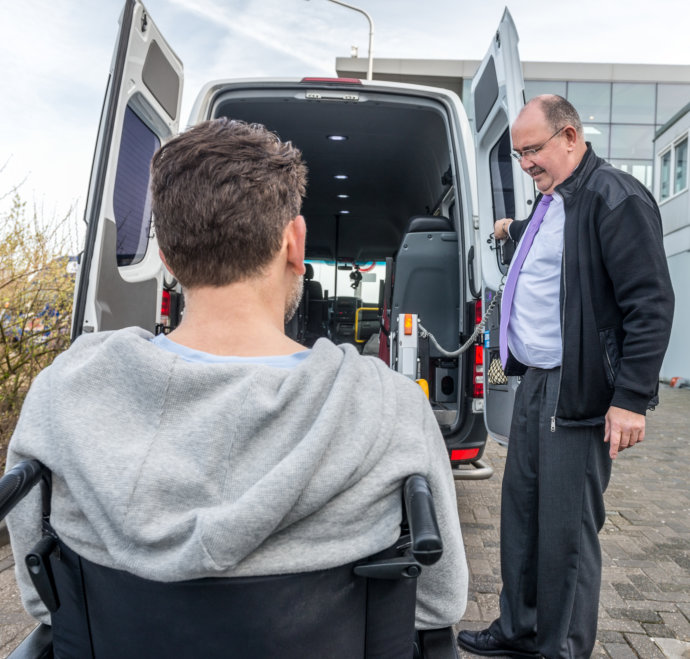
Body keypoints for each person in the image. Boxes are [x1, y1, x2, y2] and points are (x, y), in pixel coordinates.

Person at [7, 118, 467, 631]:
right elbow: (437, 604)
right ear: (295, 243)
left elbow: (46, 601)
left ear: (167, 258)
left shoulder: (64, 393)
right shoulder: (392, 408)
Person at [457, 96, 674, 658]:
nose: (525, 163)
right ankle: (519, 629)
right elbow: (552, 246)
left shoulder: (615, 198)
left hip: (579, 394)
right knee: (521, 516)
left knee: (566, 533)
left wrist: (630, 399)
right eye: (518, 154)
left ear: (570, 138)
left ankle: (562, 649)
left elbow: (649, 305)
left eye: (532, 150)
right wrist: (510, 229)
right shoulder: (555, 199)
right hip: (535, 383)